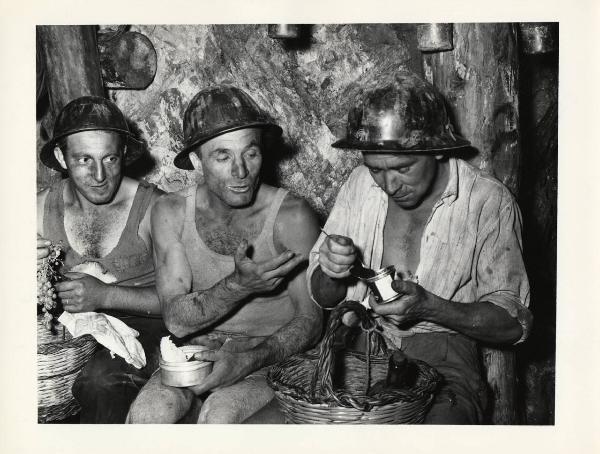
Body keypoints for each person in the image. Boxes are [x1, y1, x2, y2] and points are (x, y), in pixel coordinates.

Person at [308, 71, 533, 424]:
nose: (389, 184)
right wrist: (331, 271)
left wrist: (431, 308)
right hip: (356, 351)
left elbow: (513, 325)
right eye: (376, 170)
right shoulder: (358, 186)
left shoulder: (487, 201)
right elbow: (323, 296)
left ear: (440, 150)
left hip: (443, 361)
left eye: (402, 168)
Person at [127, 85, 322, 424]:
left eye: (251, 153)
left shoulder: (291, 216)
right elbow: (175, 319)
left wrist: (249, 360)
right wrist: (238, 286)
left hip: (268, 357)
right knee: (147, 416)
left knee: (219, 420)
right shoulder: (169, 212)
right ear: (195, 160)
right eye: (222, 157)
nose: (241, 171)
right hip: (197, 353)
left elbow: (311, 321)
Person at [37, 96, 167, 423]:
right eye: (83, 159)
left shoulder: (156, 209)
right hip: (72, 335)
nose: (99, 175)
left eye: (109, 158)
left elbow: (187, 303)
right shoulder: (38, 210)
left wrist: (105, 296)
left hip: (146, 329)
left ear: (123, 152)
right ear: (60, 157)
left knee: (100, 383)